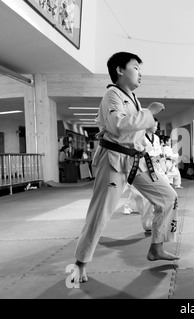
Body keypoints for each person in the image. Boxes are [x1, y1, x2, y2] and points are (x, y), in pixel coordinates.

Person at [73, 52, 179, 283]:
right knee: (101, 212)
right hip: (113, 160)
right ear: (120, 70)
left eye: (141, 68)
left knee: (168, 197)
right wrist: (149, 113)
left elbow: (129, 126)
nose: (140, 72)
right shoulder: (112, 94)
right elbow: (119, 125)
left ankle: (157, 247)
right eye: (136, 67)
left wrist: (147, 127)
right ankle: (80, 262)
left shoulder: (131, 97)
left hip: (136, 160)